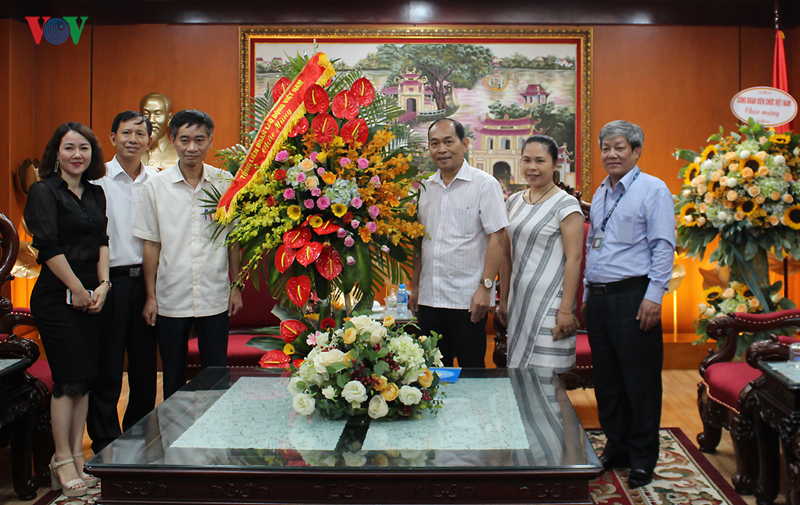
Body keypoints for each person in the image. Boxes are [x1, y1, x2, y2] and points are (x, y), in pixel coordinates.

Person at [582, 120, 675, 489]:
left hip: (634, 297)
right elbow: (595, 245)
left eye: (619, 147)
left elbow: (663, 246)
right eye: (606, 148)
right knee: (607, 382)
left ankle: (642, 458)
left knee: (640, 383)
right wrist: (587, 296)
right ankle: (617, 446)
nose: (611, 154)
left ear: (636, 151)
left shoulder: (653, 189)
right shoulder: (602, 192)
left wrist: (654, 295)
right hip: (600, 299)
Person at [132, 109, 243, 399]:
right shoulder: (155, 187)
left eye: (199, 140)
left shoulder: (224, 183)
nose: (192, 147)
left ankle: (217, 425)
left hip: (214, 294)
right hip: (171, 295)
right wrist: (150, 297)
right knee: (172, 376)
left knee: (216, 375)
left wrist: (236, 287)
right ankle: (174, 427)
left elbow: (233, 240)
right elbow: (151, 245)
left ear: (210, 140)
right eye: (184, 140)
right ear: (173, 140)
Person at [24, 123, 109, 497]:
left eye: (84, 148)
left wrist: (104, 285)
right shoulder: (43, 191)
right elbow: (48, 246)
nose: (77, 155)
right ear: (56, 153)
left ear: (92, 154)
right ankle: (60, 460)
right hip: (57, 297)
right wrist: (76, 288)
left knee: (85, 379)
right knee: (68, 379)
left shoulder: (95, 193)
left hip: (91, 293)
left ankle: (77, 455)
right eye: (69, 147)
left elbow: (103, 241)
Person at [409, 118, 508, 368]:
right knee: (430, 374)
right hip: (430, 299)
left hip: (467, 301)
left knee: (471, 374)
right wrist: (415, 286)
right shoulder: (425, 188)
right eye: (435, 143)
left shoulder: (485, 185)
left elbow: (497, 238)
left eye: (448, 142)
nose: (441, 149)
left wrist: (485, 289)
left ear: (464, 144)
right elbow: (419, 240)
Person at [87, 111, 158, 454]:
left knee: (144, 368)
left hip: (146, 283)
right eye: (126, 133)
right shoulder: (96, 181)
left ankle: (137, 437)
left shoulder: (156, 182)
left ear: (149, 141)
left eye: (140, 134)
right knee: (108, 367)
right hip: (109, 282)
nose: (133, 139)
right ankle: (104, 440)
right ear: (113, 137)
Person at [497, 135, 585, 373]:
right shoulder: (513, 202)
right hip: (519, 301)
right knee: (519, 376)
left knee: (548, 378)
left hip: (552, 303)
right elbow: (505, 255)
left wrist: (566, 310)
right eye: (526, 160)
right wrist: (504, 300)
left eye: (540, 160)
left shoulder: (566, 205)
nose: (532, 167)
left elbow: (574, 259)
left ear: (555, 164)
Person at [139, 92, 179, 171]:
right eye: (146, 114)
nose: (151, 120)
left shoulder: (180, 155)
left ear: (169, 119)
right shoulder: (131, 151)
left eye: (157, 114)